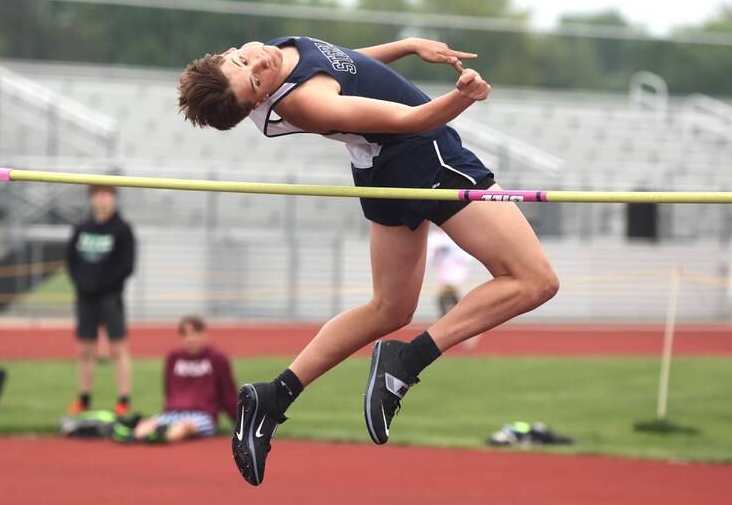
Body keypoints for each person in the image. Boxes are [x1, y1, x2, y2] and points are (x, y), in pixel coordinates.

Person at [178, 36, 558, 486]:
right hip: (424, 155)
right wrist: (463, 97)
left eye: (243, 58)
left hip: (380, 166)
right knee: (535, 280)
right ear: (261, 98)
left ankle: (272, 397)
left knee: (390, 308)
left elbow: (347, 65)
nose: (260, 59)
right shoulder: (307, 103)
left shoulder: (274, 55)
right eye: (255, 76)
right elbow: (412, 121)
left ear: (226, 53)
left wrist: (410, 45)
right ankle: (407, 361)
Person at [66, 185, 136, 416]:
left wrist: (102, 284)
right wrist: (82, 283)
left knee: (118, 349)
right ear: (92, 199)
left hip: (110, 296)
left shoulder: (122, 229)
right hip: (85, 297)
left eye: (107, 195)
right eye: (98, 195)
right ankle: (84, 397)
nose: (102, 199)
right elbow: (71, 260)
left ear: (113, 199)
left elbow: (127, 266)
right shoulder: (82, 227)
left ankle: (123, 399)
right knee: (85, 350)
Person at [112, 315, 237, 444]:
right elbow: (169, 389)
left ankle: (162, 436)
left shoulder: (217, 359)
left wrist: (237, 420)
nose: (191, 339)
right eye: (186, 335)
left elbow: (228, 393)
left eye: (195, 333)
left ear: (204, 334)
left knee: (186, 427)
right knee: (148, 423)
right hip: (173, 411)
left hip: (202, 414)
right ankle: (135, 437)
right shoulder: (174, 357)